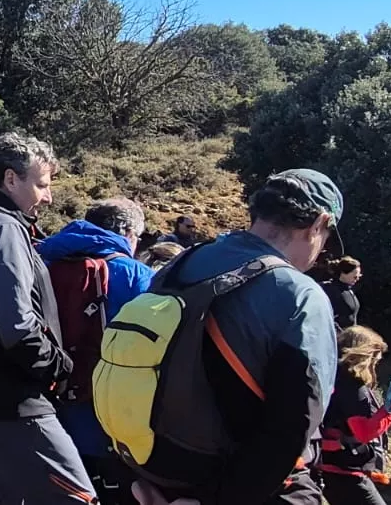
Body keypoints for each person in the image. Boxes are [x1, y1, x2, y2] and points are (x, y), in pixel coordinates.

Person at [116, 169, 343, 505]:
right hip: (234, 483)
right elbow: (293, 427)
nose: (320, 253)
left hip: (155, 465)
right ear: (318, 224)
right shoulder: (300, 296)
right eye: (325, 239)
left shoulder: (184, 262)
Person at [0, 132, 98, 504]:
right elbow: (17, 329)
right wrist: (62, 368)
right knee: (78, 499)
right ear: (11, 179)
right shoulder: (3, 228)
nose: (49, 195)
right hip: (11, 400)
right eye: (41, 184)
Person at [38, 197, 156, 504]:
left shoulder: (42, 263)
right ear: (128, 232)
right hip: (113, 421)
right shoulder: (137, 276)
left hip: (47, 409)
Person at [318, 326, 391, 505]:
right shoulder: (353, 388)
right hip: (345, 471)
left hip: (324, 462)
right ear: (365, 357)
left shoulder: (329, 376)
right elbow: (365, 432)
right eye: (375, 361)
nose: (375, 367)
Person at [322, 256, 362, 330]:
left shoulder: (349, 290)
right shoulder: (329, 289)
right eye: (355, 277)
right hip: (337, 336)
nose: (357, 279)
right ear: (343, 273)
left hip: (349, 335)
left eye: (358, 277)